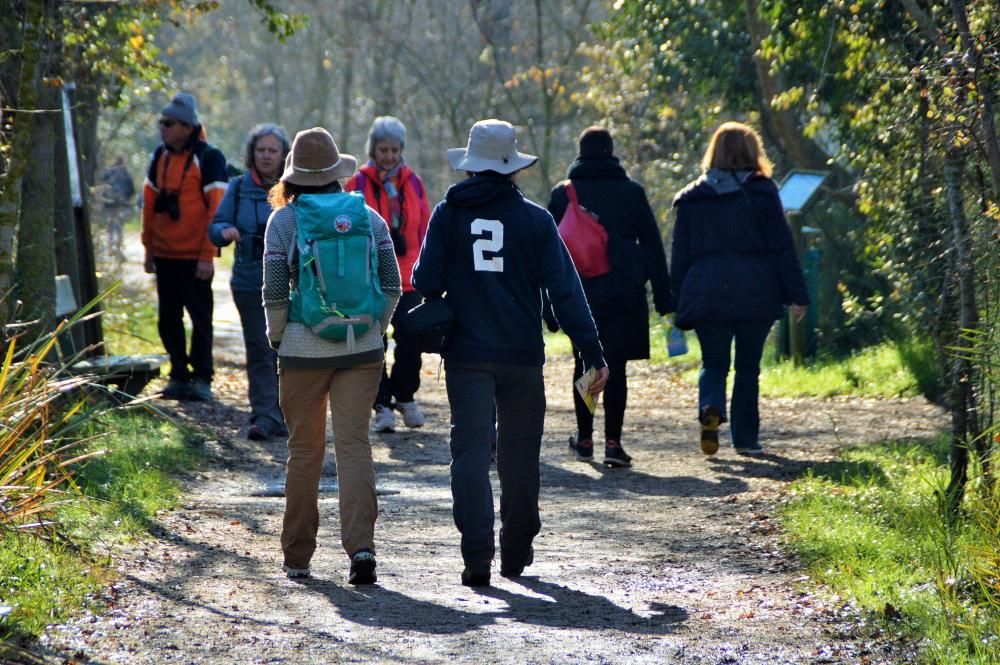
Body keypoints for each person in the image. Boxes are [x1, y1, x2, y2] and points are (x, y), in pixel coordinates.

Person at [412, 119, 608, 587]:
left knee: (470, 454)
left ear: (471, 167)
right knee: (520, 456)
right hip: (522, 354)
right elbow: (566, 292)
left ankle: (477, 555)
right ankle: (516, 551)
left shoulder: (448, 213)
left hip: (467, 354)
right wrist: (592, 351)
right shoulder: (536, 220)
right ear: (512, 167)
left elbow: (425, 282)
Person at [263, 127, 401, 584]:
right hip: (360, 349)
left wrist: (279, 337)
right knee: (354, 445)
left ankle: (298, 557)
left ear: (293, 176)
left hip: (303, 348)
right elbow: (392, 283)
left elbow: (274, 291)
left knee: (304, 450)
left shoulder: (284, 221)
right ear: (337, 175)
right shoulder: (368, 217)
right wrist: (372, 329)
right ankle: (361, 550)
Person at [671, 121, 809, 456]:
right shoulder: (762, 191)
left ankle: (711, 407)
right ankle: (746, 440)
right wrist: (797, 294)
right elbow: (781, 246)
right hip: (755, 286)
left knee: (713, 363)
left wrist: (675, 299)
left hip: (706, 287)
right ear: (752, 151)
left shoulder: (692, 197)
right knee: (748, 367)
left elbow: (680, 254)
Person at [546, 126, 672, 468]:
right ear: (612, 151)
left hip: (578, 292)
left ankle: (584, 438)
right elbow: (653, 246)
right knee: (616, 366)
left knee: (585, 362)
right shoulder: (631, 192)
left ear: (581, 151)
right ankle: (613, 443)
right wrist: (664, 297)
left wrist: (546, 305)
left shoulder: (564, 193)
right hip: (624, 291)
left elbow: (545, 249)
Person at [345, 116, 432, 433]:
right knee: (373, 342)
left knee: (412, 338)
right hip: (370, 278)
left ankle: (405, 396)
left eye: (395, 149)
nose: (389, 156)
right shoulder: (357, 183)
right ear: (373, 149)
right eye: (383, 149)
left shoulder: (415, 182)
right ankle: (381, 404)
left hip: (409, 276)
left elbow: (424, 228)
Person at [142, 92, 228, 401]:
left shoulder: (209, 157)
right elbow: (149, 203)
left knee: (200, 318)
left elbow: (216, 210)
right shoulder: (159, 157)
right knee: (168, 319)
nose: (162, 128)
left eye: (168, 123)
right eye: (161, 122)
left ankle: (202, 377)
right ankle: (178, 373)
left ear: (188, 127)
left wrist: (208, 255)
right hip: (165, 256)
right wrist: (148, 248)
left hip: (196, 257)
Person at [209, 124, 290, 441]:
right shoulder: (239, 188)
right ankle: (264, 415)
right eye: (261, 150)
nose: (267, 156)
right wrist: (224, 232)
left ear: (284, 155)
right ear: (251, 154)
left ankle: (288, 413)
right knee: (259, 348)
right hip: (248, 283)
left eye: (273, 150)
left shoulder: (294, 188)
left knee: (287, 350)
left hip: (288, 284)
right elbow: (216, 226)